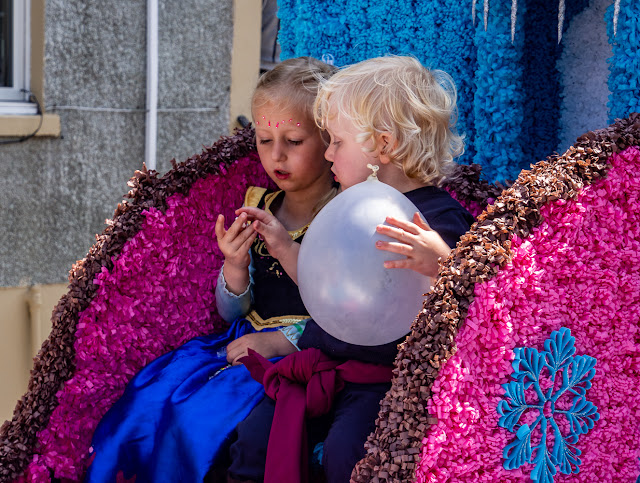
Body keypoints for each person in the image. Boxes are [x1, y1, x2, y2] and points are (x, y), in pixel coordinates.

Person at [83, 56, 337, 483]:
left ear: (331, 139)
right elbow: (232, 312)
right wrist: (235, 267)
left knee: (204, 425)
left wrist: (281, 341)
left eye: (293, 140)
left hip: (299, 356)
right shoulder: (257, 201)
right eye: (263, 139)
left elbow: (348, 316)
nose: (276, 155)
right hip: (238, 341)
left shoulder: (341, 217)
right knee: (150, 397)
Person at [227, 55, 475, 483]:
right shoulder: (346, 208)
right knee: (254, 440)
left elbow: (475, 301)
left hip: (380, 380)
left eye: (338, 142)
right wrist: (285, 247)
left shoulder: (438, 219)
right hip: (321, 363)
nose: (328, 153)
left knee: (348, 456)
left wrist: (443, 264)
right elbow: (328, 292)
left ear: (384, 146)